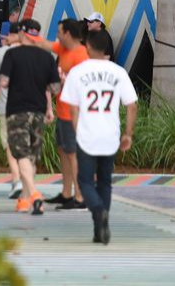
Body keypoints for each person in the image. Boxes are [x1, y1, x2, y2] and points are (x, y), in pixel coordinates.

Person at [59, 28, 138, 244]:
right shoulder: (118, 72)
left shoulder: (77, 72)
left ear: (88, 47)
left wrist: (77, 130)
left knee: (85, 181)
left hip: (87, 135)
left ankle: (97, 210)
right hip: (111, 135)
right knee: (105, 182)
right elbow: (132, 106)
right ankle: (100, 227)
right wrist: (128, 134)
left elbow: (73, 108)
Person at [0, 19, 59, 215]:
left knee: (22, 154)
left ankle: (34, 194)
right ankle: (24, 201)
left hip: (17, 111)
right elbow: (54, 88)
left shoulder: (12, 54)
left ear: (22, 33)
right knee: (31, 157)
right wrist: (49, 107)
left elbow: (4, 82)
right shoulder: (47, 57)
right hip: (39, 112)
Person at [46, 19, 90, 211]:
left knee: (73, 154)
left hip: (74, 114)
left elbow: (83, 85)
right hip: (62, 111)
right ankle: (66, 193)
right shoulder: (64, 50)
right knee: (64, 151)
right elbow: (44, 44)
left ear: (68, 34)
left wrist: (64, 81)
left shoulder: (81, 55)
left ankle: (80, 196)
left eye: (59, 32)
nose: (57, 35)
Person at [0, 20, 26, 199]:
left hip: (7, 107)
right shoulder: (34, 53)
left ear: (9, 35)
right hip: (31, 107)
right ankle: (28, 180)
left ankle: (17, 179)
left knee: (10, 145)